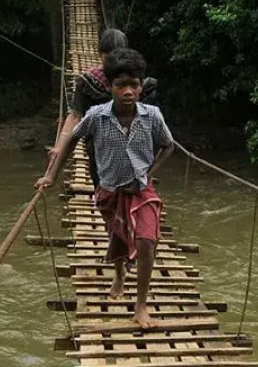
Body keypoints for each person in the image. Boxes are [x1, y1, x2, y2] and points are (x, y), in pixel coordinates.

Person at [35, 49, 174, 329]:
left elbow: (168, 145)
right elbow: (72, 141)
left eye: (134, 85)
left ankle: (141, 305)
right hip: (108, 190)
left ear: (141, 86)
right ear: (109, 87)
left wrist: (148, 174)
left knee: (147, 241)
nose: (128, 91)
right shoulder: (96, 116)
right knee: (118, 237)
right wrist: (51, 176)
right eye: (120, 85)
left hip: (142, 192)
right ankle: (120, 274)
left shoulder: (152, 115)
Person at [48, 27, 159, 186]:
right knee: (107, 199)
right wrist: (58, 149)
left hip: (135, 155)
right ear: (100, 55)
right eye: (109, 58)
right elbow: (75, 117)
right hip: (101, 153)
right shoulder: (89, 83)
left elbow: (157, 132)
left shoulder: (141, 85)